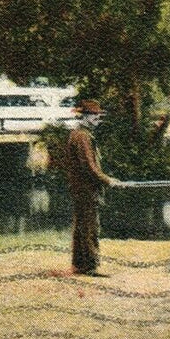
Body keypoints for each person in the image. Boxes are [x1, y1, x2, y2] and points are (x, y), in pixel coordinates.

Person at [62, 100, 122, 275]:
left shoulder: (79, 134)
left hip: (81, 188)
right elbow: (89, 166)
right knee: (90, 227)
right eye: (94, 115)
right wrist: (108, 180)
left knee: (82, 226)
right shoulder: (82, 136)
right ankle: (89, 266)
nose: (98, 118)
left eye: (98, 115)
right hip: (87, 189)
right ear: (84, 116)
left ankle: (80, 264)